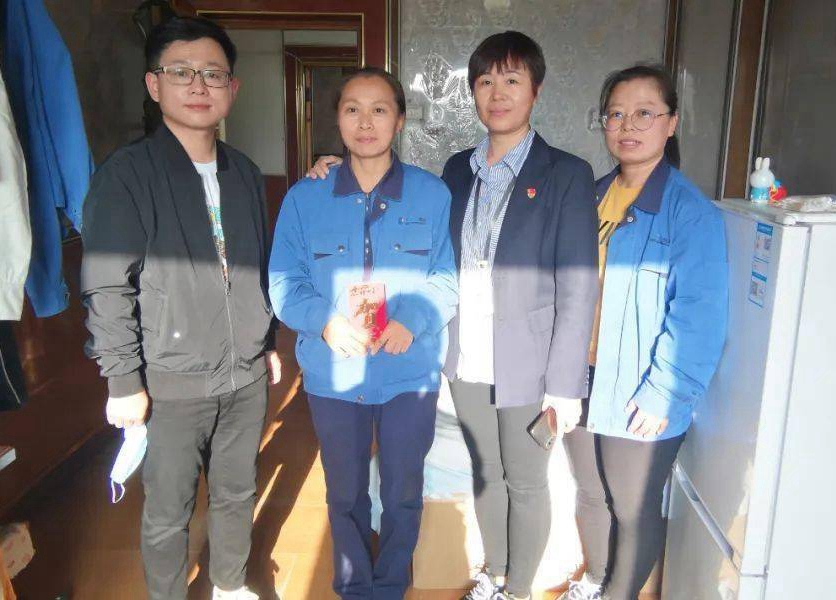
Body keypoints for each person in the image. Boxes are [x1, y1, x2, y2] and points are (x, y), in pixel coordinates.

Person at [307, 32, 598, 600]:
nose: (497, 93)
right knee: (486, 471)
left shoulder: (566, 173)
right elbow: (409, 210)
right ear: (473, 92)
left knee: (526, 480)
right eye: (485, 81)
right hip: (468, 353)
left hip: (529, 360)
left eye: (511, 80)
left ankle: (518, 591)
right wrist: (339, 168)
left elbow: (579, 285)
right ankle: (496, 574)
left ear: (535, 90)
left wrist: (564, 385)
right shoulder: (457, 170)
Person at [80, 17, 280, 600]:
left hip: (244, 374)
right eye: (181, 72)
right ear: (153, 84)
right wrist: (123, 382)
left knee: (237, 491)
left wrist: (265, 341)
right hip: (169, 380)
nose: (198, 85)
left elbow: (255, 267)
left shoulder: (244, 172)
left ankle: (229, 585)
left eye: (213, 73)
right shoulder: (126, 176)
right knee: (169, 509)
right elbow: (107, 285)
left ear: (232, 88)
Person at [268, 67, 458, 600]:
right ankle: (354, 588)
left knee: (402, 491)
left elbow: (447, 278)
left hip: (408, 369)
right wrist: (324, 322)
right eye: (353, 109)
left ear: (400, 120)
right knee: (345, 492)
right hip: (335, 371)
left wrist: (412, 320)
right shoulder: (305, 198)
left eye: (379, 109)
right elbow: (284, 281)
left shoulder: (431, 194)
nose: (366, 122)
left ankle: (391, 585)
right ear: (338, 118)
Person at [559, 65, 728, 600]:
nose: (627, 125)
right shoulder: (590, 196)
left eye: (644, 113)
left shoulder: (690, 212)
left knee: (632, 506)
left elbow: (699, 313)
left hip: (641, 385)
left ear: (671, 123)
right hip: (581, 374)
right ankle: (595, 580)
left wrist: (665, 392)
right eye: (616, 114)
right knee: (590, 491)